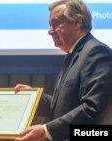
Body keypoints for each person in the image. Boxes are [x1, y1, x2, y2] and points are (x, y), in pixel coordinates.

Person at [14, 0, 112, 141]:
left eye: (56, 24)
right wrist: (35, 98)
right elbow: (67, 105)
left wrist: (46, 130)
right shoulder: (73, 55)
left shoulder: (96, 52)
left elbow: (91, 108)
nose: (50, 31)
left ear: (77, 22)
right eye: (50, 25)